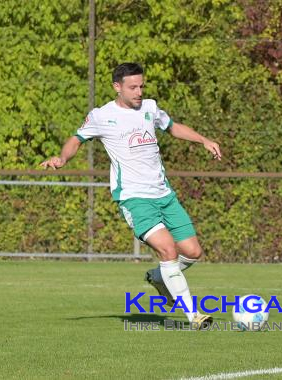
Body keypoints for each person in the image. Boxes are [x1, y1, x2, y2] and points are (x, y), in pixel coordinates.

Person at [41, 62, 221, 328]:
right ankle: (193, 315)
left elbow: (172, 127)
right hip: (134, 198)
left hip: (164, 194)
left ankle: (159, 278)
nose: (139, 91)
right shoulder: (102, 116)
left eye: (141, 86)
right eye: (132, 87)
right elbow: (76, 139)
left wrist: (204, 140)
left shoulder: (149, 107)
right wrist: (62, 158)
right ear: (117, 87)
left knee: (193, 252)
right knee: (167, 249)